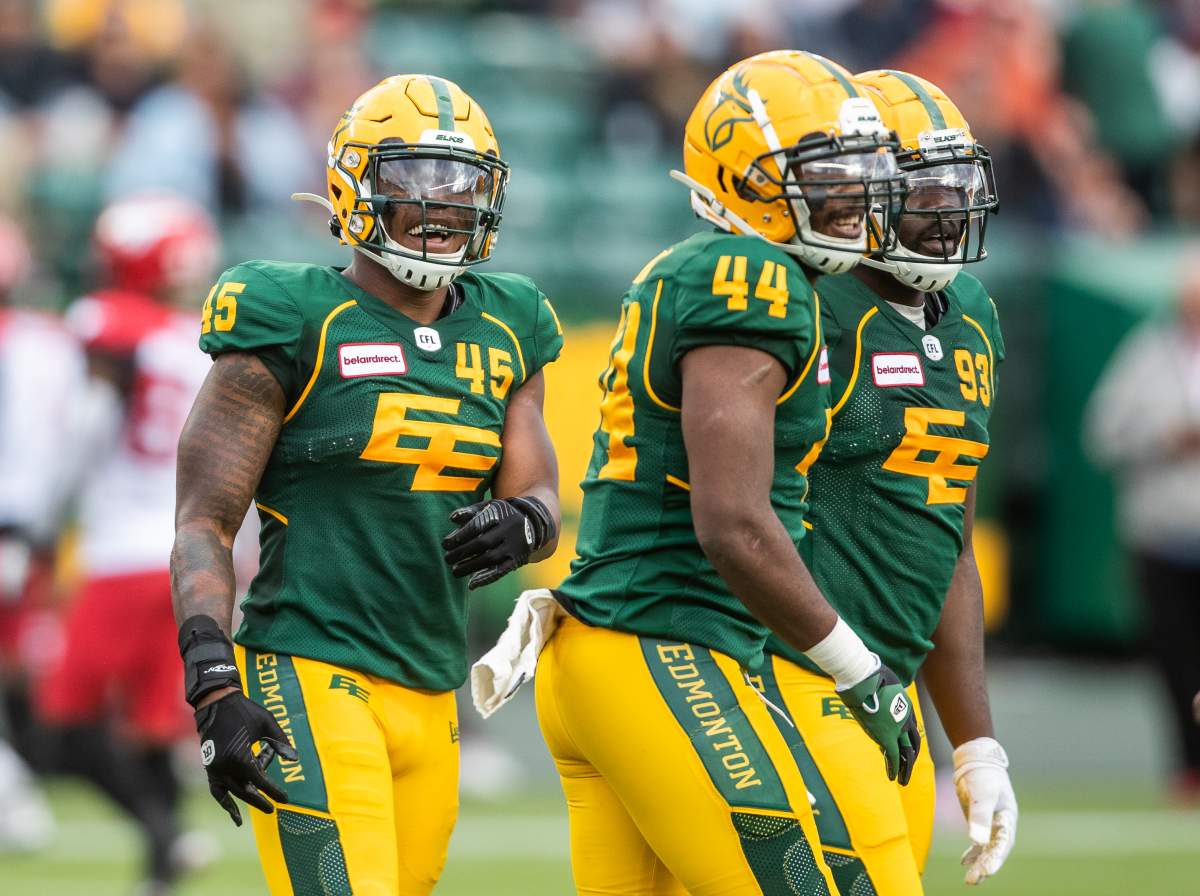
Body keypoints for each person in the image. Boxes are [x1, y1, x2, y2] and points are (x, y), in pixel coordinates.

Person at [530, 50, 918, 894]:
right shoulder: (749, 277)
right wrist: (861, 669)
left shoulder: (728, 273)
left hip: (625, 649)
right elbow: (733, 522)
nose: (856, 197)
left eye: (862, 174)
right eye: (828, 176)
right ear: (744, 181)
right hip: (659, 642)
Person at [170, 74, 563, 895]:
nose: (441, 204)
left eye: (460, 184)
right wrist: (212, 682)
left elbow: (542, 495)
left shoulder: (511, 323)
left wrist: (525, 522)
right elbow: (205, 519)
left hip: (431, 687)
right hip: (308, 668)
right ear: (355, 186)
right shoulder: (290, 313)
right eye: (412, 179)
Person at [755, 69, 1015, 894]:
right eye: (921, 193)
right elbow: (730, 514)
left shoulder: (971, 313)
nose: (945, 214)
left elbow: (950, 542)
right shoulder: (804, 304)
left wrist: (975, 745)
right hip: (784, 676)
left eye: (955, 188)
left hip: (887, 702)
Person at [32, 193, 220, 891]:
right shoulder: (193, 339)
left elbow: (85, 429)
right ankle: (163, 861)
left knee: (59, 721)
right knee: (147, 729)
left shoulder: (107, 323)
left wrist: (44, 522)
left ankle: (160, 833)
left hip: (118, 551)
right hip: (186, 550)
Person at [1086, 251, 1200, 802]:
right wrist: (1164, 439)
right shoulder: (1146, 355)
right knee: (1177, 662)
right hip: (1163, 535)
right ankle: (1187, 770)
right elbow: (1103, 435)